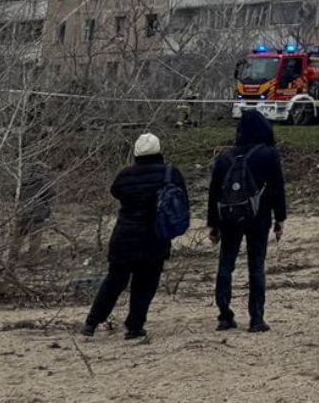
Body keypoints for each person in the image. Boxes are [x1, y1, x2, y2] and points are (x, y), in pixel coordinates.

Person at [83, 134, 185, 341]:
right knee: (145, 284)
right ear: (158, 150)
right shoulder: (169, 173)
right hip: (155, 237)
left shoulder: (125, 175)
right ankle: (135, 326)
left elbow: (116, 192)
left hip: (124, 236)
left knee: (114, 281)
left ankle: (91, 322)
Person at [209, 110, 287, 332]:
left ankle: (224, 314)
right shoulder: (268, 154)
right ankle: (256, 318)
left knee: (226, 264)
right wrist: (280, 218)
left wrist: (213, 224)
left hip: (229, 217)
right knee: (256, 265)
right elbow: (277, 188)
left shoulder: (224, 157)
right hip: (258, 218)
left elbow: (214, 193)